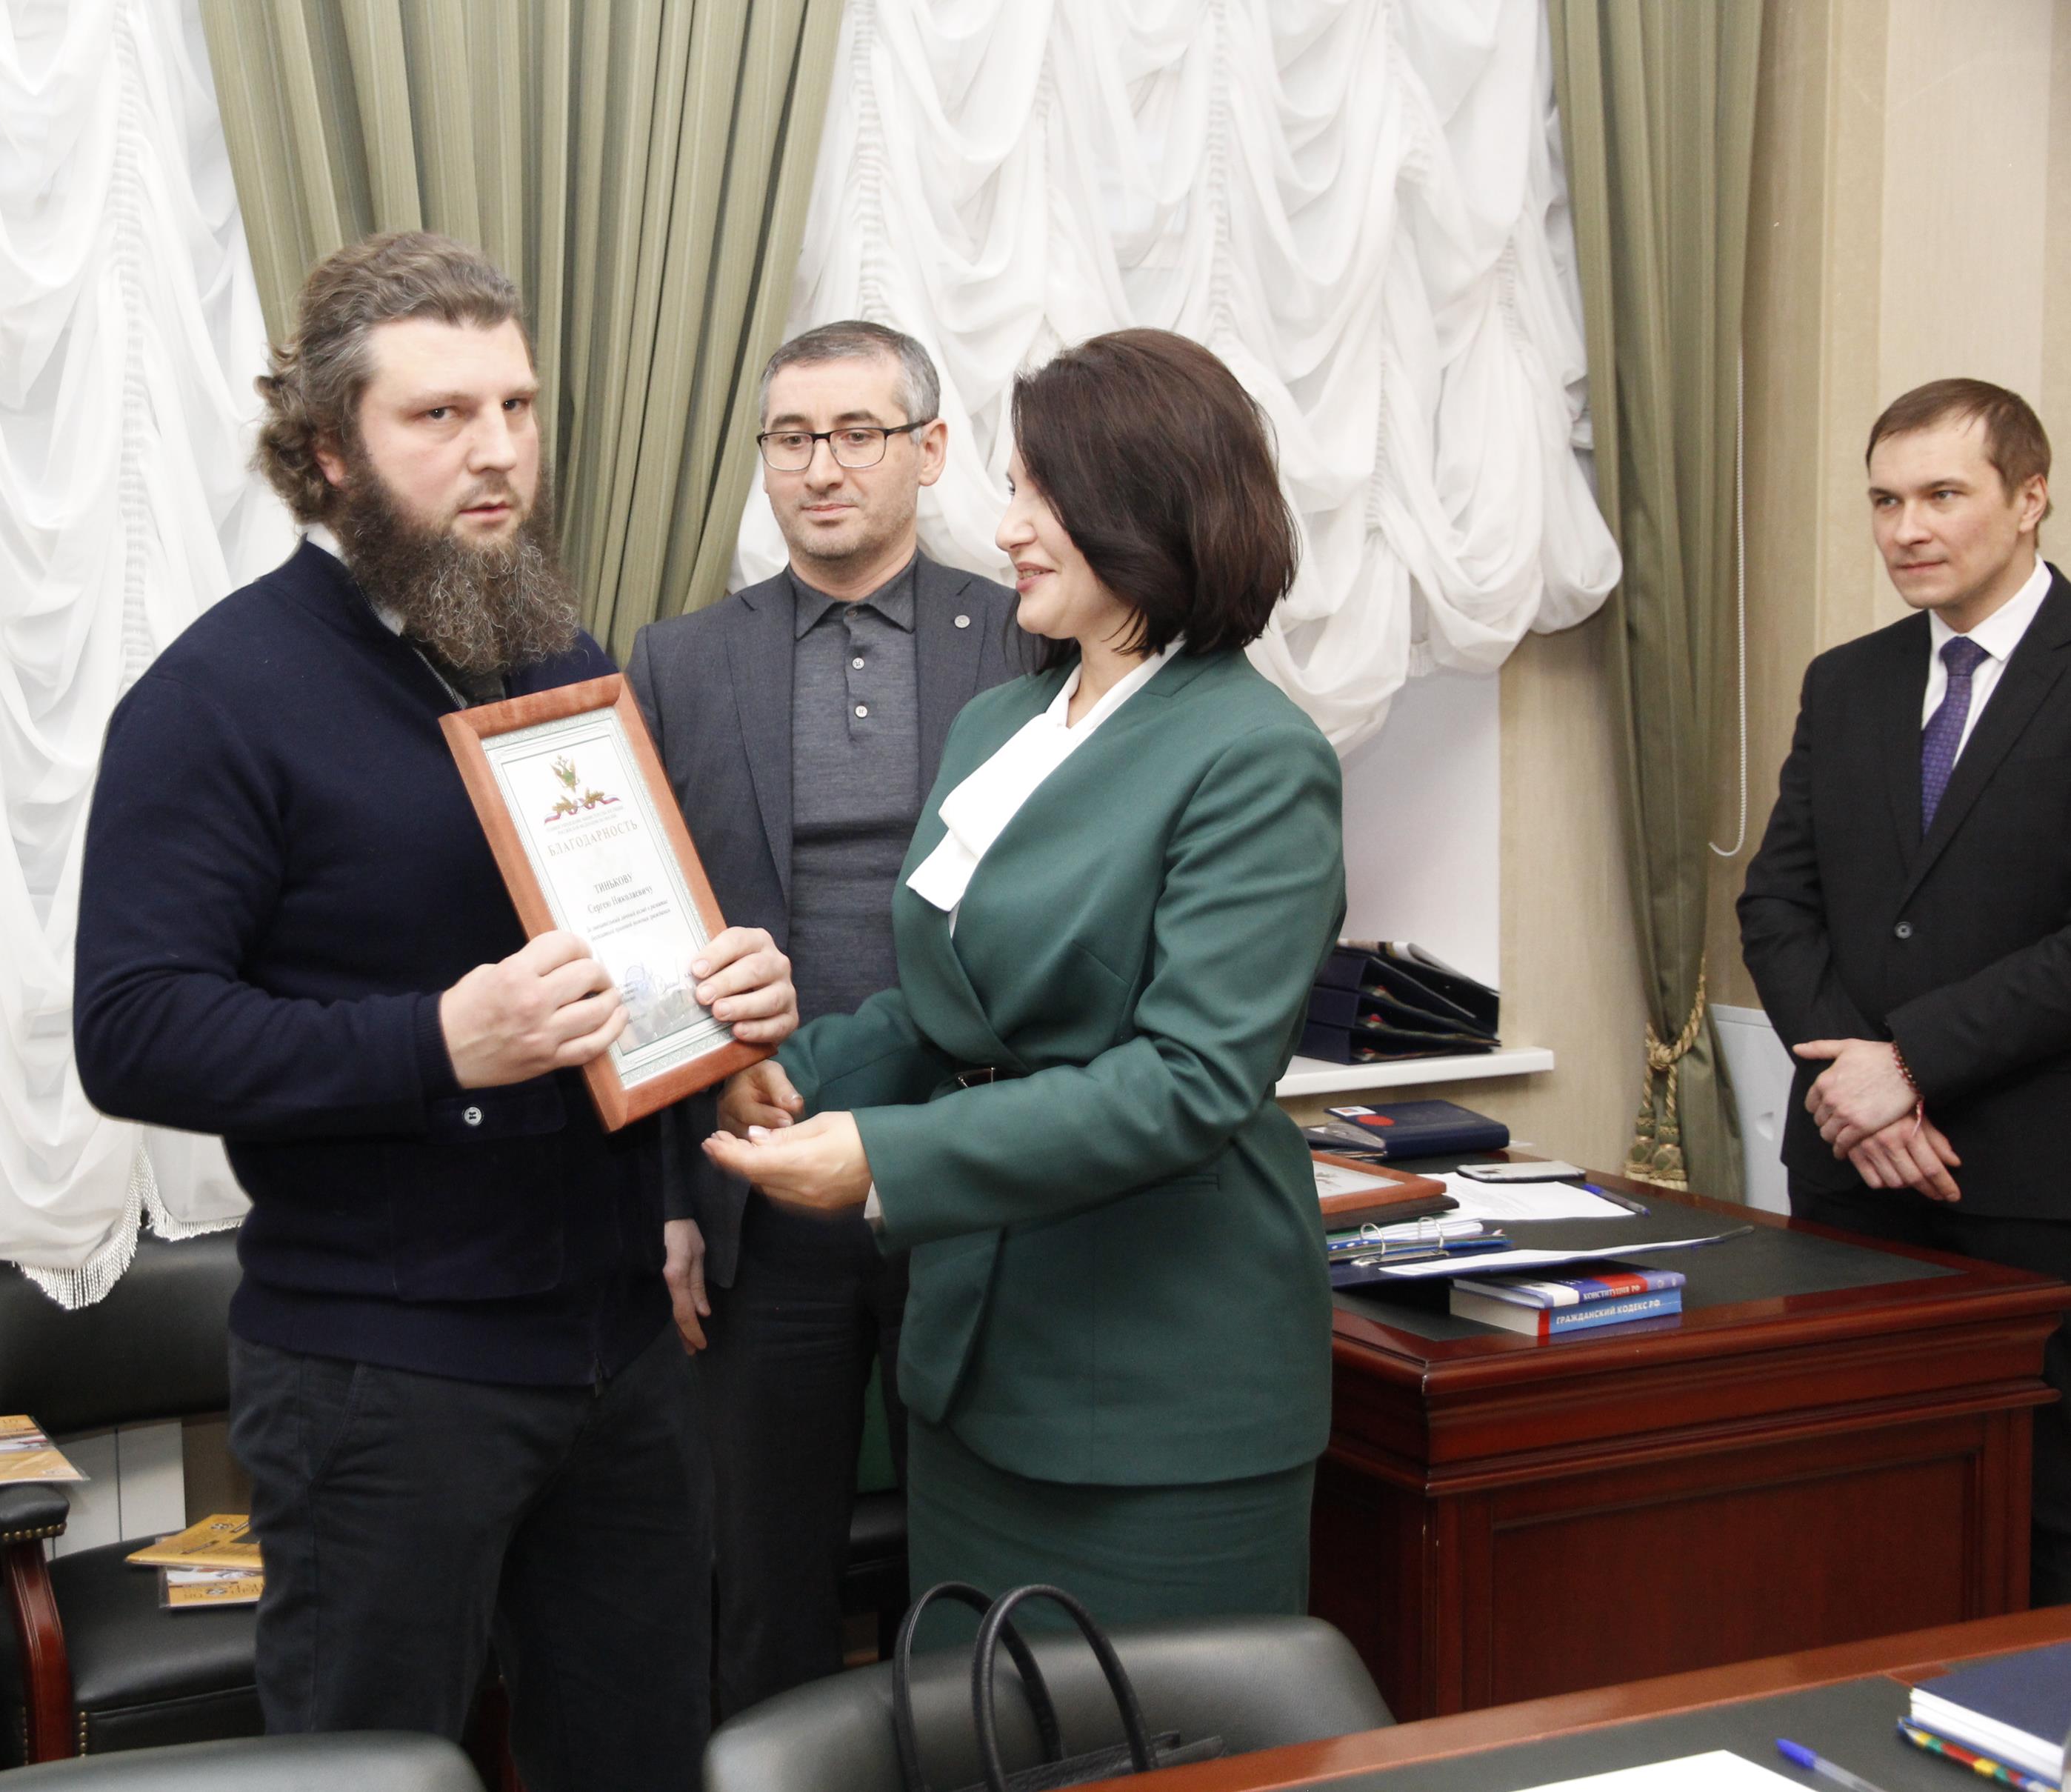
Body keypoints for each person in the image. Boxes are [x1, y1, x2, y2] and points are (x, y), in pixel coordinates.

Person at [71, 231, 798, 1791]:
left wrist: (716, 1028)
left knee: (641, 1763)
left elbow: (607, 956)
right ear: (328, 450)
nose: (497, 452)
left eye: (516, 406)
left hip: (618, 1347)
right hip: (379, 1378)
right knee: (370, 1775)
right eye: (440, 415)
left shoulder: (555, 655)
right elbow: (131, 1029)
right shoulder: (214, 697)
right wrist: (436, 1040)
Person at [704, 328, 1344, 1631]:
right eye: (1012, 492)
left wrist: (882, 1156)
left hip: (1159, 1386)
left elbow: (1187, 1081)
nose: (1006, 531)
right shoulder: (1004, 720)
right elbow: (949, 1008)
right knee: (969, 1716)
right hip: (975, 1363)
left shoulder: (1255, 755)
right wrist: (784, 1074)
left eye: (1042, 498)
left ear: (1148, 509)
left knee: (1148, 1732)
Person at [624, 320, 1020, 1714]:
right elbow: (642, 941)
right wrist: (667, 1196)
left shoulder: (1024, 640)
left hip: (968, 1179)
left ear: (929, 449)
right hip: (759, 1183)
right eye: (791, 438)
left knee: (974, 1576)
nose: (821, 466)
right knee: (759, 1585)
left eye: (857, 433)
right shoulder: (679, 660)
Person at [1738, 377, 2071, 1601]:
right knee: (1851, 1512)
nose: (1906, 529)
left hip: (2033, 1186)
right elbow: (1775, 906)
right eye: (1884, 501)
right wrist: (1857, 1088)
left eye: (1941, 494)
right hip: (1849, 1176)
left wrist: (1912, 1060)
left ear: (2029, 498)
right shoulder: (1845, 681)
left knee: (2040, 1527)